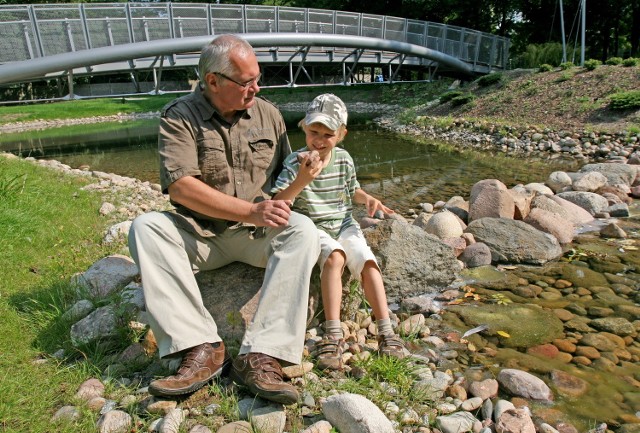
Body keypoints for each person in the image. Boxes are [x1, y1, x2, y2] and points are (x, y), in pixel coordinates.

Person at [128, 34, 320, 404]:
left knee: (304, 231)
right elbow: (182, 188)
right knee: (146, 228)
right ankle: (201, 348)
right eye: (246, 81)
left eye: (257, 78)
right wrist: (251, 210)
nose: (256, 88)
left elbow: (282, 181)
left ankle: (261, 355)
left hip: (256, 236)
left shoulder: (269, 114)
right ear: (213, 81)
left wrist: (304, 174)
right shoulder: (179, 117)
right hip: (202, 237)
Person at [271, 94, 407, 371]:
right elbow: (280, 200)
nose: (319, 141)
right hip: (313, 227)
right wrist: (302, 178)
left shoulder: (344, 160)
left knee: (367, 262)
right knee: (335, 258)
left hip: (344, 223)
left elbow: (351, 190)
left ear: (342, 134)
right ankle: (333, 333)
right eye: (313, 132)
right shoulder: (294, 162)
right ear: (303, 127)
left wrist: (367, 198)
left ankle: (386, 331)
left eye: (328, 135)